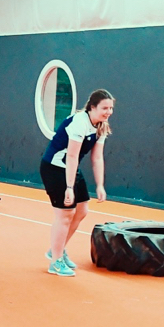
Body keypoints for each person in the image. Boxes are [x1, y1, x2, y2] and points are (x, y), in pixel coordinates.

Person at [40, 89, 114, 277]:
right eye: (104, 108)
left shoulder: (101, 126)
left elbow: (97, 158)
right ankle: (55, 262)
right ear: (92, 107)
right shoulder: (79, 122)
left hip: (70, 168)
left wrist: (100, 185)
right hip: (55, 168)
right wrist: (69, 188)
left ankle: (56, 250)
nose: (108, 112)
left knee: (82, 211)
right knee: (66, 213)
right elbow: (72, 155)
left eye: (111, 108)